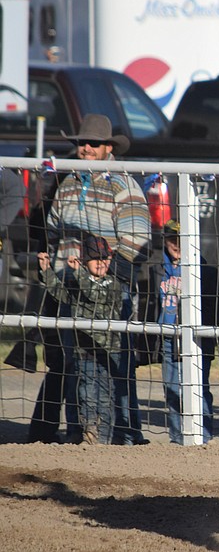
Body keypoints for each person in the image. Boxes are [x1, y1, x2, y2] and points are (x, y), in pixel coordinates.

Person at [30, 115, 151, 446]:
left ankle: (114, 436)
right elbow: (53, 233)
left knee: (108, 365)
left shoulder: (123, 184)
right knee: (76, 365)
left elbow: (138, 240)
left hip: (109, 292)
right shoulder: (68, 184)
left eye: (93, 143)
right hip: (70, 290)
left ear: (107, 148)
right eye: (81, 143)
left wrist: (106, 273)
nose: (85, 148)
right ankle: (81, 433)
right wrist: (52, 270)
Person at [37, 236, 123, 444]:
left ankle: (103, 438)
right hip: (83, 351)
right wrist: (47, 270)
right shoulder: (78, 280)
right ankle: (89, 434)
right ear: (85, 262)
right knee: (85, 395)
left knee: (105, 397)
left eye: (105, 257)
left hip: (107, 351)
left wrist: (78, 273)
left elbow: (94, 294)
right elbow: (61, 295)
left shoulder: (113, 284)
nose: (101, 262)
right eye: (95, 258)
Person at [154, 219, 219, 445]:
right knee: (172, 388)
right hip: (168, 336)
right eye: (173, 239)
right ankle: (177, 437)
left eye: (182, 240)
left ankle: (203, 436)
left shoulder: (206, 271)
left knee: (199, 387)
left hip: (197, 339)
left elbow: (214, 310)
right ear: (165, 240)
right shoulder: (155, 268)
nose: (177, 244)